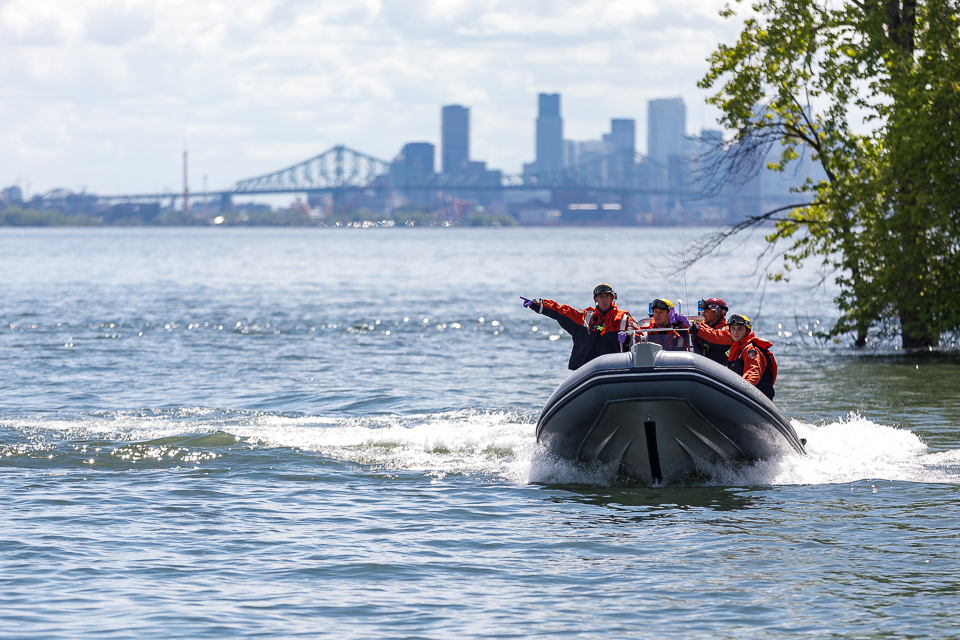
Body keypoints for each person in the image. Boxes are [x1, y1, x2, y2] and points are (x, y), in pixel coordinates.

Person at [524, 283, 639, 370]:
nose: (604, 300)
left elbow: (641, 336)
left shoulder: (624, 320)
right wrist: (537, 305)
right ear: (595, 299)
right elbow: (561, 311)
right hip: (588, 371)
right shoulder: (584, 318)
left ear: (612, 298)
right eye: (601, 297)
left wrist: (627, 339)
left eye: (607, 297)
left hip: (617, 369)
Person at [723, 314, 777, 400]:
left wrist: (741, 390)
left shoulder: (751, 350)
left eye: (740, 329)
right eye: (733, 329)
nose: (735, 332)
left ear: (747, 331)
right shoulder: (737, 349)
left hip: (757, 398)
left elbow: (753, 373)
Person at [689, 297, 732, 365]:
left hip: (720, 368)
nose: (703, 314)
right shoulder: (702, 326)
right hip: (702, 366)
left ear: (717, 312)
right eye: (703, 311)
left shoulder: (729, 330)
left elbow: (714, 336)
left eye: (706, 312)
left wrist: (694, 328)